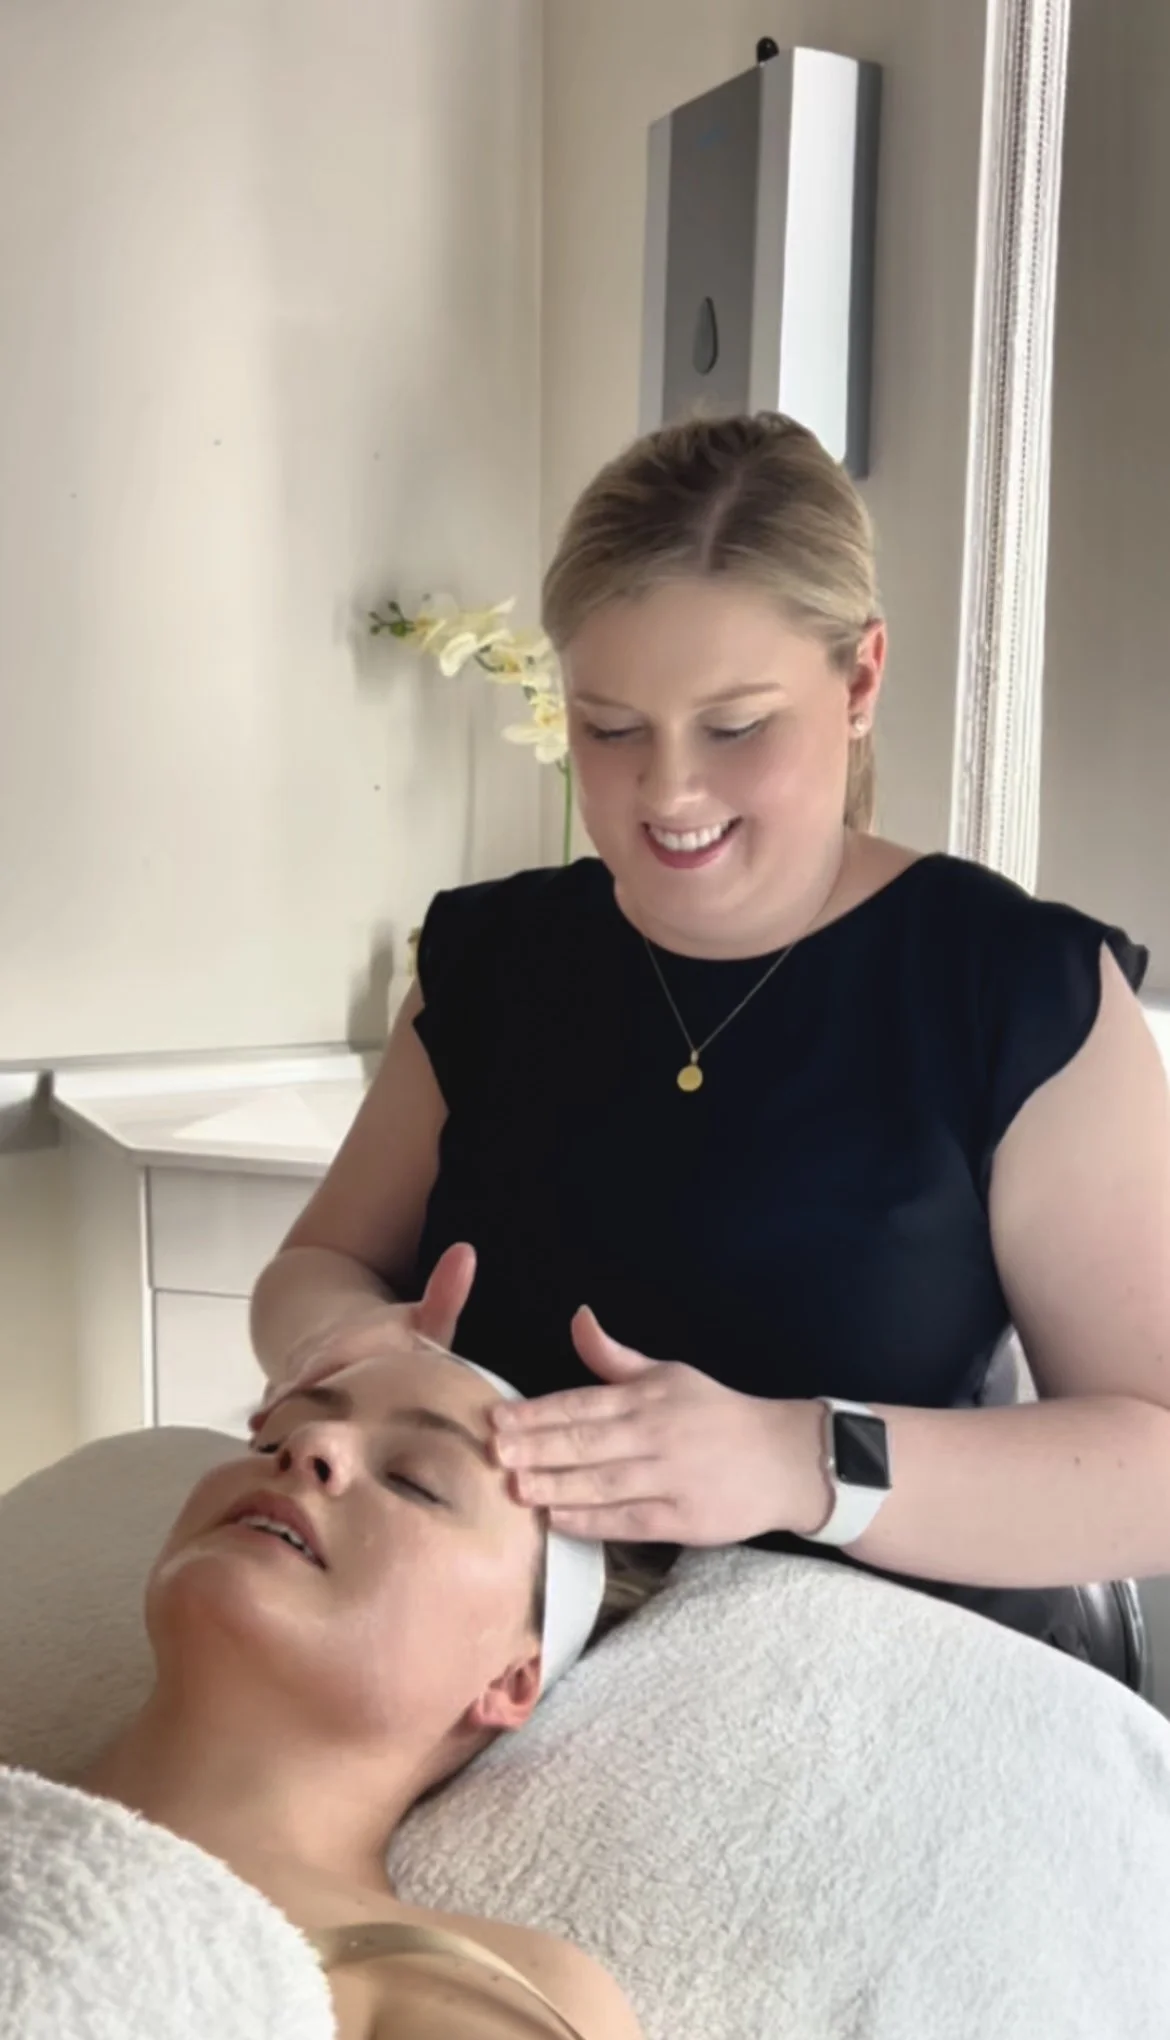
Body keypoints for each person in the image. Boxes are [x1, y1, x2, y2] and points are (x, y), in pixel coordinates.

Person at [250, 410, 1170, 1667]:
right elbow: (319, 1265)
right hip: (502, 1672)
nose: (668, 791)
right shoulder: (495, 960)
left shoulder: (1016, 991)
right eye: (610, 727)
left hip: (890, 1690)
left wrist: (803, 1461)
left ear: (860, 680)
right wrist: (335, 1345)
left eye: (735, 727)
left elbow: (1153, 1464)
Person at [80, 1342, 648, 2040]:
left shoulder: (461, 1988)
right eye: (275, 1438)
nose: (310, 1446)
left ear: (510, 1680)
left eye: (415, 1481)